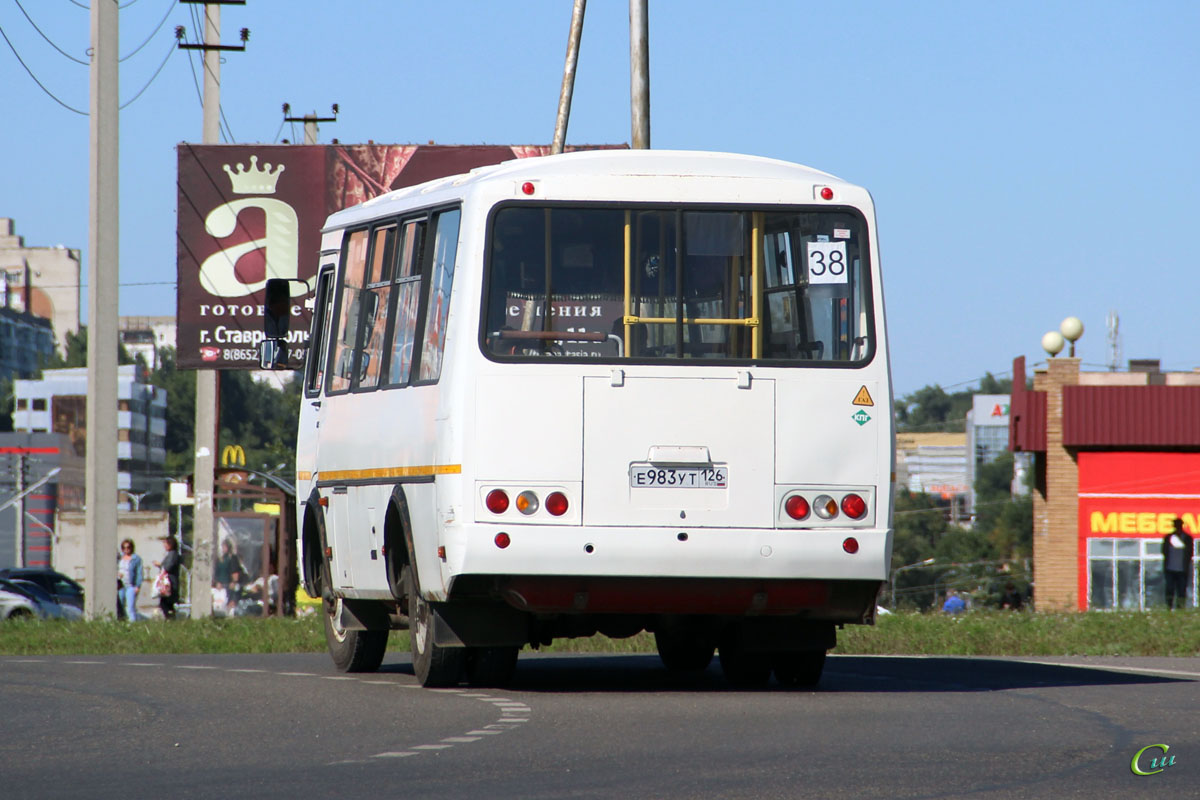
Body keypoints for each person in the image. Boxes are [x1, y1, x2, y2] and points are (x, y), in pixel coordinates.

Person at [1162, 518, 1194, 610]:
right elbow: (1164, 551)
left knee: (1181, 590)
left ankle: (1180, 608)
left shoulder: (1187, 538)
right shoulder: (1168, 538)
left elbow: (1189, 553)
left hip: (1182, 570)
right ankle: (1169, 607)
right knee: (1169, 590)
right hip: (1170, 569)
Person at [153, 535, 182, 620]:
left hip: (170, 584)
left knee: (166, 604)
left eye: (165, 543)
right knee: (165, 604)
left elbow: (168, 567)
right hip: (169, 583)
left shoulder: (173, 555)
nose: (164, 545)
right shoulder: (171, 554)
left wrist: (160, 565)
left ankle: (171, 619)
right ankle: (170, 618)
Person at [213, 538, 245, 615]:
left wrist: (233, 582)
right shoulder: (220, 559)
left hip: (228, 585)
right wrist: (217, 582)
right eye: (223, 546)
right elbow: (216, 572)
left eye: (225, 546)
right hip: (220, 585)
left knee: (228, 602)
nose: (224, 548)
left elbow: (235, 572)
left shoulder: (232, 558)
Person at [117, 539, 143, 621]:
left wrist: (137, 586)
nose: (126, 549)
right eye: (124, 548)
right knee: (120, 605)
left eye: (128, 547)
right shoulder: (120, 558)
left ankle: (132, 623)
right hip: (120, 585)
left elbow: (139, 573)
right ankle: (122, 621)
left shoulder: (136, 559)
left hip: (130, 585)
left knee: (130, 607)